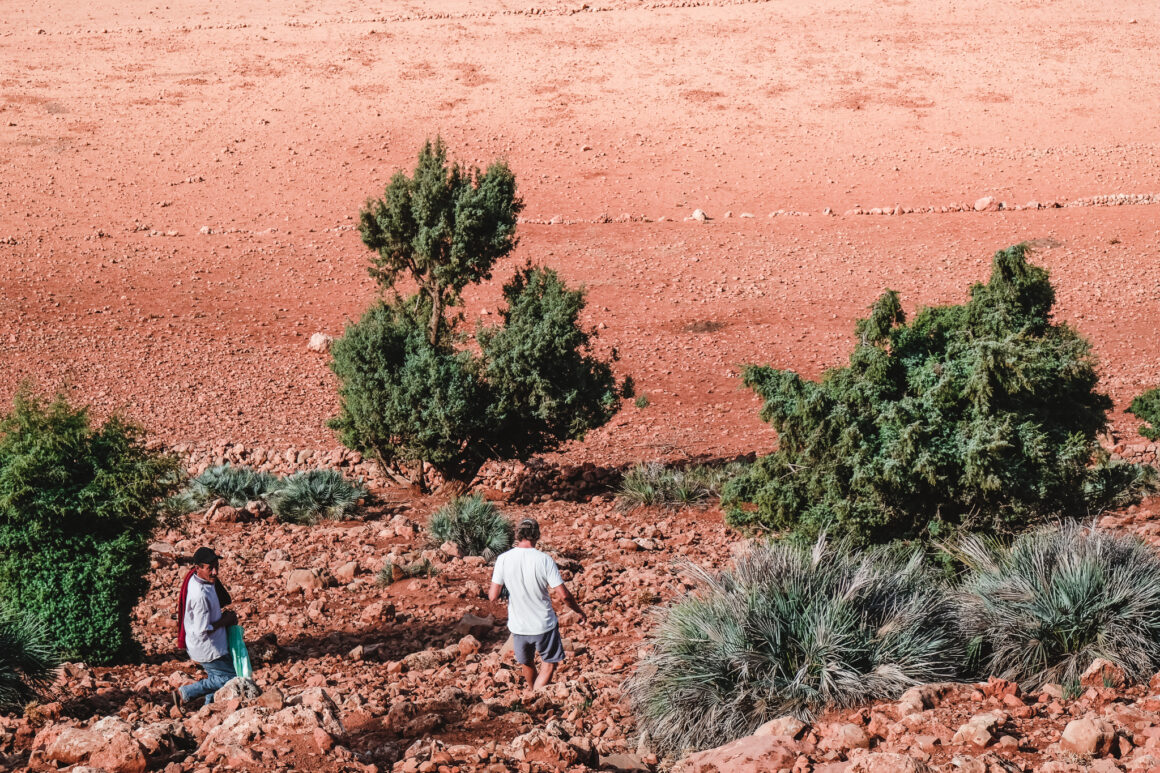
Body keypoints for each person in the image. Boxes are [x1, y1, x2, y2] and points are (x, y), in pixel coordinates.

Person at [489, 518, 585, 689]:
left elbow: (493, 596)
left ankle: (533, 692)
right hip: (544, 625)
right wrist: (578, 611)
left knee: (527, 662)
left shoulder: (503, 559)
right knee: (549, 664)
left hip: (518, 627)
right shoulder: (544, 560)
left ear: (517, 535)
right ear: (537, 535)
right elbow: (564, 595)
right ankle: (536, 696)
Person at [172, 547, 238, 708]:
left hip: (210, 645)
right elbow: (202, 629)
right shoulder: (199, 595)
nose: (215, 572)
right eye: (210, 568)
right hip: (209, 648)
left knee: (216, 677)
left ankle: (209, 707)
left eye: (217, 566)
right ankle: (185, 693)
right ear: (198, 568)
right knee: (230, 678)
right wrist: (226, 620)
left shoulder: (201, 580)